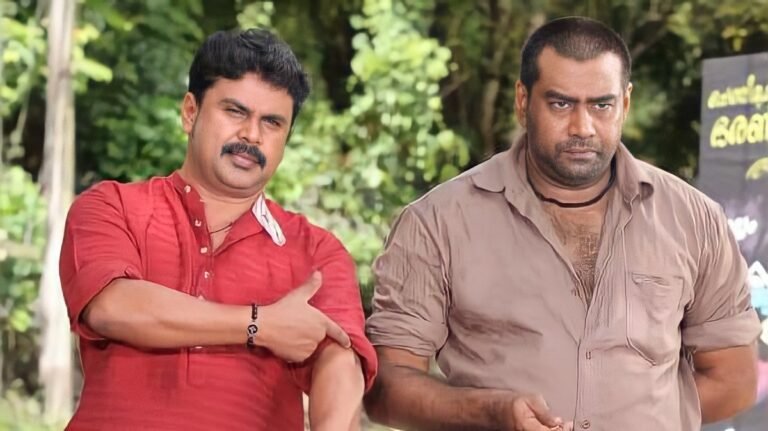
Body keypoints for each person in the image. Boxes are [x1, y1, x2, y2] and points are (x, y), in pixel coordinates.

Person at [364, 16, 760, 431]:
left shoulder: (693, 219)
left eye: (601, 105)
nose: (582, 128)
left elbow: (733, 381)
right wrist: (492, 412)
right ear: (523, 101)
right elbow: (385, 389)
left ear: (625, 103)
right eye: (561, 104)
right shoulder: (436, 223)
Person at [60, 28, 376, 431]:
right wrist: (259, 325)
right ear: (190, 112)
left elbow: (339, 360)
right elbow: (112, 308)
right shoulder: (113, 206)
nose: (252, 135)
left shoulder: (316, 251)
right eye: (235, 111)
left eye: (272, 122)